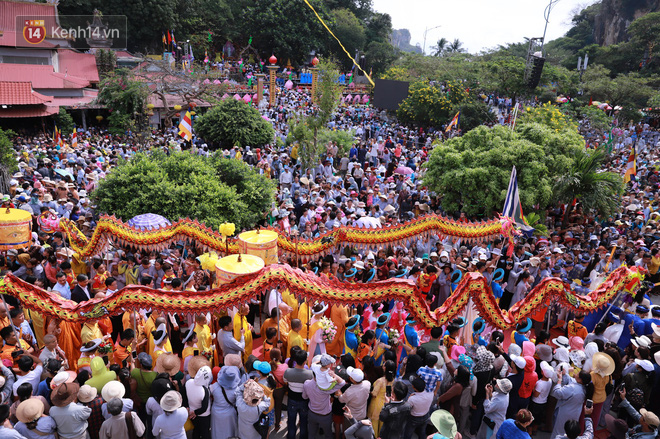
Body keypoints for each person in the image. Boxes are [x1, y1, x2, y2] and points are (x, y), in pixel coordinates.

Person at [550, 370, 593, 439]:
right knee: (570, 431)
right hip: (575, 413)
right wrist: (565, 374)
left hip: (565, 413)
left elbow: (557, 392)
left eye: (577, 374)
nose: (575, 374)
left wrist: (559, 380)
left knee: (559, 431)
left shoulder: (572, 388)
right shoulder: (584, 387)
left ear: (580, 380)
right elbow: (572, 380)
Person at [284, 349, 313, 439]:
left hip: (292, 399)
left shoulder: (288, 372)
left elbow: (285, 381)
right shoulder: (310, 374)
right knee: (304, 422)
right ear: (305, 361)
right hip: (304, 401)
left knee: (291, 421)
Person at [210, 366, 240, 439]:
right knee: (230, 432)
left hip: (216, 413)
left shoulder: (214, 387)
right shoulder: (237, 389)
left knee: (217, 432)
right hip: (230, 414)